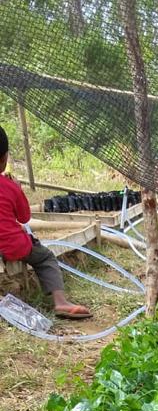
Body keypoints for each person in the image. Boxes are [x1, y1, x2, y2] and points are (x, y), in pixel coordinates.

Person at [0, 126, 91, 319]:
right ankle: (61, 302)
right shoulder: (9, 187)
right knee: (45, 258)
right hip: (11, 244)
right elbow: (24, 218)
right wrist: (18, 189)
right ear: (4, 158)